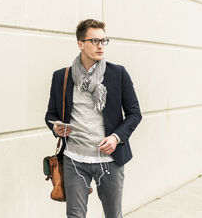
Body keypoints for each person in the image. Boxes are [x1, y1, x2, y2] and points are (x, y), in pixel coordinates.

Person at [45, 19, 142, 218]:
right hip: (74, 159)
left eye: (103, 41)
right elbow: (51, 115)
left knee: (113, 215)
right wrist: (56, 127)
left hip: (110, 160)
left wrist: (116, 137)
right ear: (80, 43)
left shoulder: (118, 74)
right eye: (95, 41)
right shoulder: (62, 77)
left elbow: (134, 114)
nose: (100, 46)